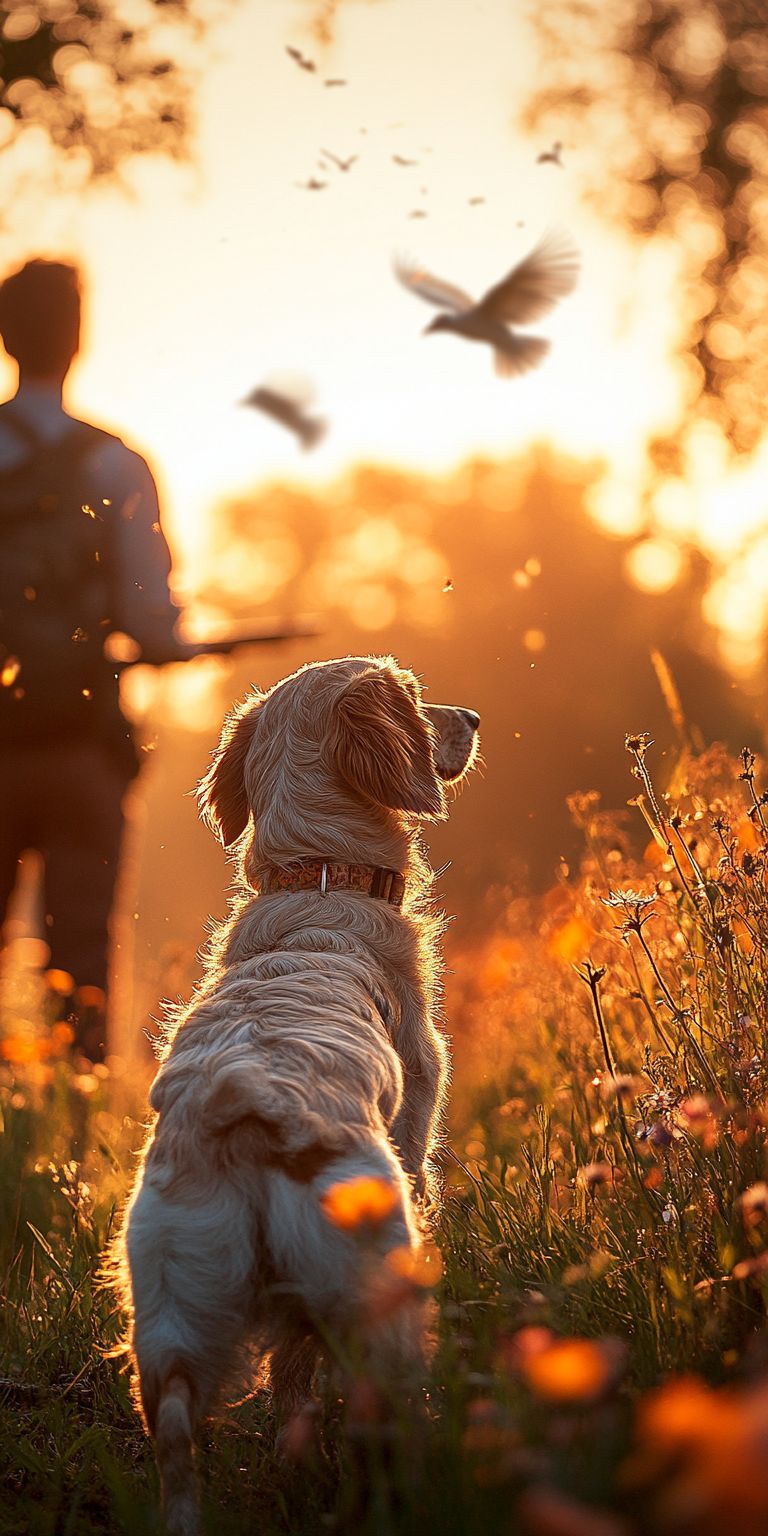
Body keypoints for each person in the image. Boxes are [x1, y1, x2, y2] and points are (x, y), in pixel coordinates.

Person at [0, 258, 190, 1063]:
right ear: (78, 340)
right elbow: (152, 627)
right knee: (82, 963)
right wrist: (169, 642)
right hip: (84, 748)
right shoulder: (118, 465)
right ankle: (74, 1155)